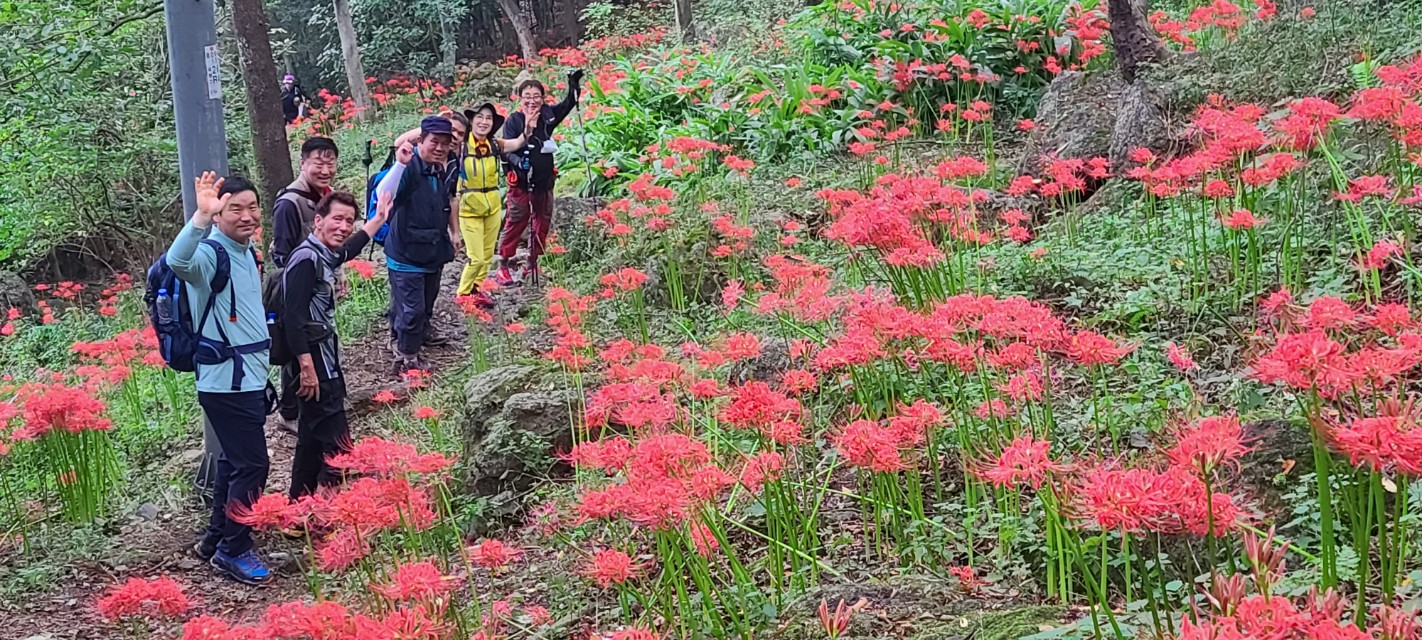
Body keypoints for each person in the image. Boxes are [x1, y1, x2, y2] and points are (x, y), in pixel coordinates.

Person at [167, 172, 273, 585]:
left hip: (247, 376)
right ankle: (235, 548)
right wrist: (200, 216)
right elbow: (177, 262)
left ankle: (215, 540)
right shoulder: (211, 253)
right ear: (219, 214)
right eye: (235, 209)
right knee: (254, 465)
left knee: (233, 461)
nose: (247, 216)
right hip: (226, 381)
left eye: (252, 207)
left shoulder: (246, 251)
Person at [283, 191, 390, 500]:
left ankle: (299, 505)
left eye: (349, 221)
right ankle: (332, 508)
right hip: (315, 364)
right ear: (318, 220)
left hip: (323, 360)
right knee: (339, 447)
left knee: (311, 440)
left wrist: (378, 219)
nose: (344, 227)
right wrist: (307, 367)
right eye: (337, 219)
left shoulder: (321, 253)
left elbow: (347, 250)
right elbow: (293, 318)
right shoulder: (306, 260)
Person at [377, 116, 459, 374]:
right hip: (406, 254)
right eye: (434, 141)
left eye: (445, 143)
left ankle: (405, 335)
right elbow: (384, 193)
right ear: (420, 141)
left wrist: (453, 233)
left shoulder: (439, 170)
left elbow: (447, 202)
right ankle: (407, 358)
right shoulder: (408, 167)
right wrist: (400, 164)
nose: (440, 147)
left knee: (423, 303)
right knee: (412, 309)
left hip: (432, 250)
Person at [270, 137, 339, 433]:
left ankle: (314, 401)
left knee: (319, 341)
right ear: (303, 164)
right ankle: (289, 412)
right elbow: (282, 254)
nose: (325, 170)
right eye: (318, 163)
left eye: (330, 163)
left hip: (320, 288)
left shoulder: (325, 196)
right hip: (299, 291)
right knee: (297, 349)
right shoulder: (290, 203)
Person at [495, 70, 584, 287]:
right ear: (520, 99)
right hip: (521, 182)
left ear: (543, 98)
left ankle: (532, 262)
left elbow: (568, 104)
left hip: (544, 181)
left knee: (541, 222)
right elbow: (506, 149)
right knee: (516, 221)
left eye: (536, 96)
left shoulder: (547, 117)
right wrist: (518, 162)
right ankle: (503, 264)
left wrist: (573, 85)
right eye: (527, 96)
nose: (532, 101)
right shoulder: (514, 121)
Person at [455, 103, 527, 304]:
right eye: (480, 117)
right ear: (471, 121)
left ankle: (476, 289)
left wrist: (529, 126)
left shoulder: (494, 144)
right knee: (476, 257)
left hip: (492, 207)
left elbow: (517, 143)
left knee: (487, 256)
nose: (484, 122)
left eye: (488, 118)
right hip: (469, 209)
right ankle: (463, 294)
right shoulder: (461, 146)